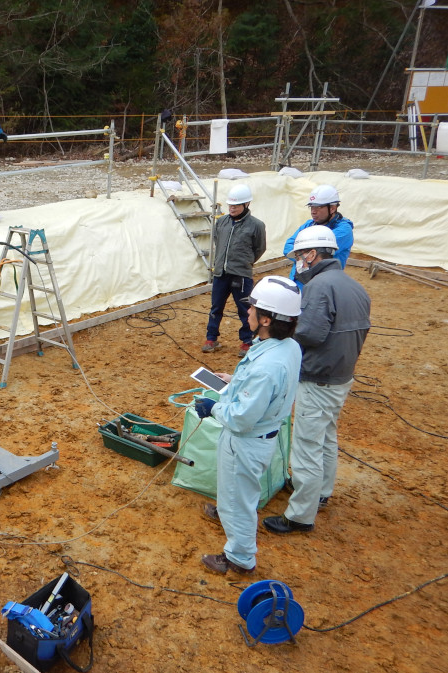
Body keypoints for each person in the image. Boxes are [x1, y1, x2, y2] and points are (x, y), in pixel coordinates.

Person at [263, 226, 370, 535]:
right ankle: (321, 491)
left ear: (312, 254)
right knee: (326, 436)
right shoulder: (354, 286)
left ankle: (300, 515)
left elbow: (309, 333)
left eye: (299, 255)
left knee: (307, 445)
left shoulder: (319, 287)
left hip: (318, 377)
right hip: (341, 376)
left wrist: (282, 333)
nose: (298, 262)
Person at [194, 276, 303, 575]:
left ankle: (240, 559)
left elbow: (241, 419)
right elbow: (265, 389)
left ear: (266, 319)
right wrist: (235, 381)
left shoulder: (268, 367)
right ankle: (227, 515)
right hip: (261, 436)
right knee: (238, 493)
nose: (248, 311)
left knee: (238, 501)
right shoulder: (287, 347)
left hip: (245, 441)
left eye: (253, 307)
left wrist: (213, 407)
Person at [202, 184, 267, 357]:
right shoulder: (221, 222)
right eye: (230, 205)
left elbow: (260, 248)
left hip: (241, 275)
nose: (232, 208)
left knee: (245, 309)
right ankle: (211, 338)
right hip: (221, 274)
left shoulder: (256, 225)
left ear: (247, 204)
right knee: (216, 307)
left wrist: (245, 262)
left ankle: (247, 341)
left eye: (236, 205)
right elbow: (218, 241)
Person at [283, 185, 353, 288]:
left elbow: (319, 252)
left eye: (318, 207)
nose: (313, 211)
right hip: (298, 283)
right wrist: (305, 255)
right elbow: (287, 247)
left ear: (332, 208)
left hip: (322, 286)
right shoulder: (309, 224)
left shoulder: (343, 230)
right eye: (311, 207)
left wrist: (299, 255)